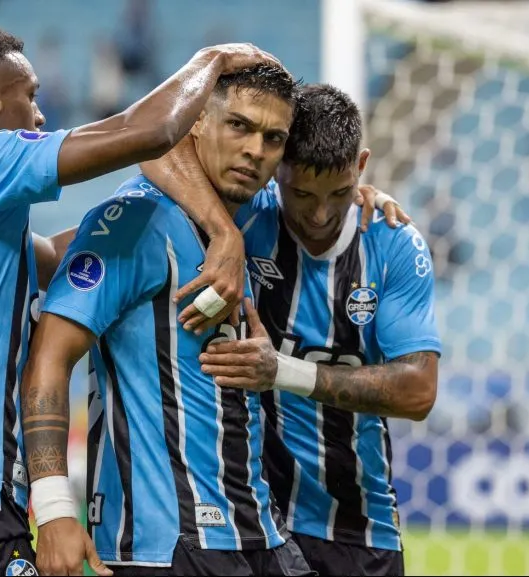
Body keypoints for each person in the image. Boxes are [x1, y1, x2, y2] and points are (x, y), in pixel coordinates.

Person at [0, 23, 278, 576]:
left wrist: (141, 221)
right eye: (28, 97)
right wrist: (217, 58)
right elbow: (147, 131)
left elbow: (53, 256)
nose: (38, 114)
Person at [22, 64, 314, 577]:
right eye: (239, 126)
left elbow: (320, 196)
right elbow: (50, 356)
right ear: (197, 122)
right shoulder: (131, 222)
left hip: (260, 533)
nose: (255, 150)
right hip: (165, 544)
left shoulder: (259, 218)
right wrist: (52, 509)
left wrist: (363, 199)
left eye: (274, 138)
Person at [160, 84, 441, 576]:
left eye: (338, 193)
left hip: (359, 524)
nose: (318, 214)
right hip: (257, 519)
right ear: (277, 170)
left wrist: (281, 371)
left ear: (361, 166)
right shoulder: (251, 214)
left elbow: (418, 391)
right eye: (302, 193)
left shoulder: (394, 244)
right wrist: (224, 232)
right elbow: (158, 146)